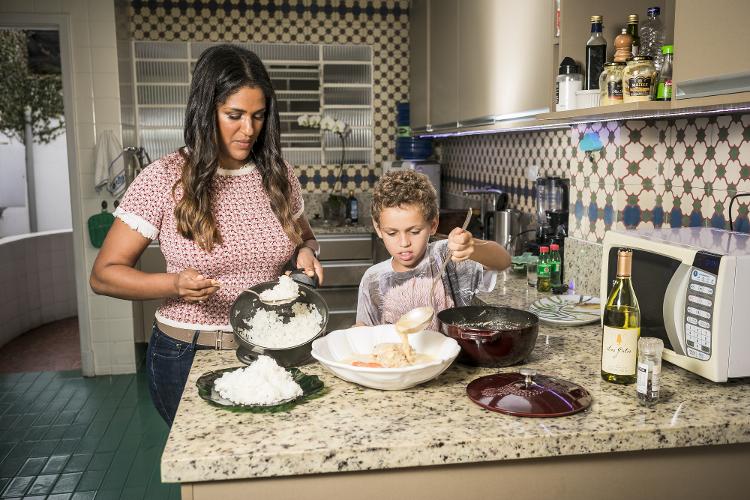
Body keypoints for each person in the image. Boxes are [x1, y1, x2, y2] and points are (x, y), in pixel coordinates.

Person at [89, 44, 322, 426]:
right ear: (205, 110)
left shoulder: (279, 175)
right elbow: (103, 274)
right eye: (234, 115)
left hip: (271, 353)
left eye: (259, 116)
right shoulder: (164, 178)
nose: (249, 130)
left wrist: (306, 253)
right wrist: (174, 283)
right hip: (189, 352)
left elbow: (304, 241)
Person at [357, 170, 510, 329]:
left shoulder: (446, 257)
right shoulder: (373, 279)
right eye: (392, 233)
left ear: (433, 225)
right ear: (378, 228)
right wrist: (358, 331)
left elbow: (503, 261)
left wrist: (473, 247)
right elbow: (367, 331)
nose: (404, 243)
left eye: (415, 232)